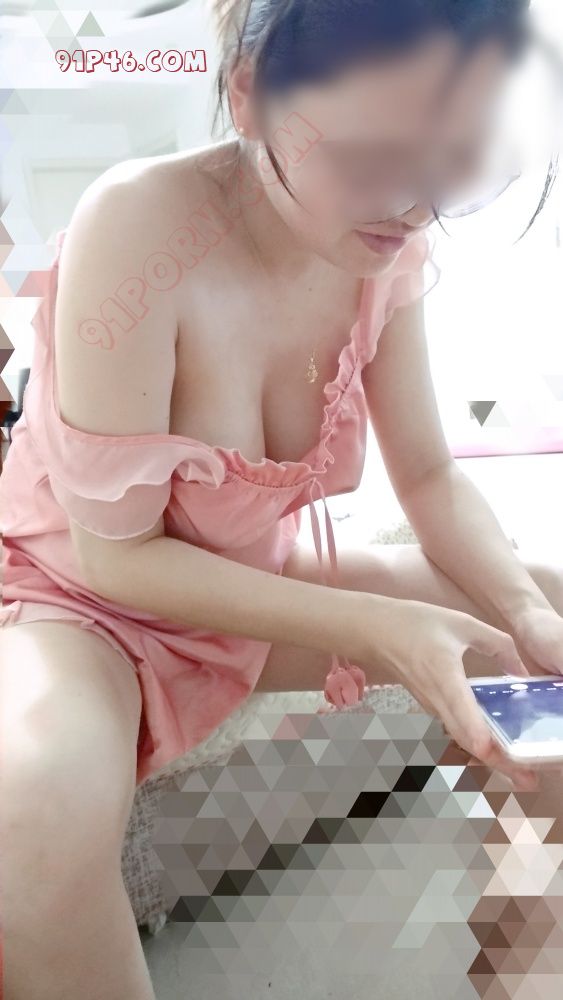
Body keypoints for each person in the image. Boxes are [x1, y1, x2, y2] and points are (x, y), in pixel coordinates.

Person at [2, 1, 563, 997]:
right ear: (250, 96)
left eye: (449, 163)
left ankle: (527, 965)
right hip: (83, 598)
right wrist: (378, 626)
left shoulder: (386, 248)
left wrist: (521, 611)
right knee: (35, 810)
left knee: (551, 611)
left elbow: (428, 476)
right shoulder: (136, 225)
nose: (412, 207)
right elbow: (115, 555)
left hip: (252, 581)